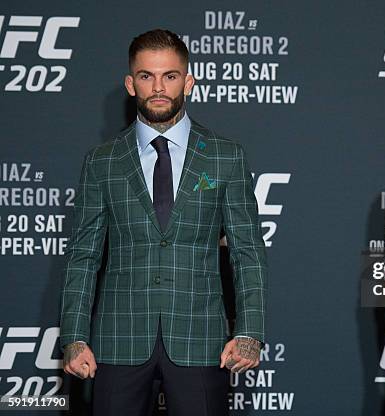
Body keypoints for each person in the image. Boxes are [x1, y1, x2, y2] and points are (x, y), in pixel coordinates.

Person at [59, 28, 267, 416]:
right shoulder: (101, 160)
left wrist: (249, 332)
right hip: (117, 339)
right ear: (130, 83)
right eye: (146, 76)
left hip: (200, 338)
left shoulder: (226, 156)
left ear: (187, 81)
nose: (158, 87)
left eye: (169, 76)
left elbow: (248, 254)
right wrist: (74, 336)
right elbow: (83, 256)